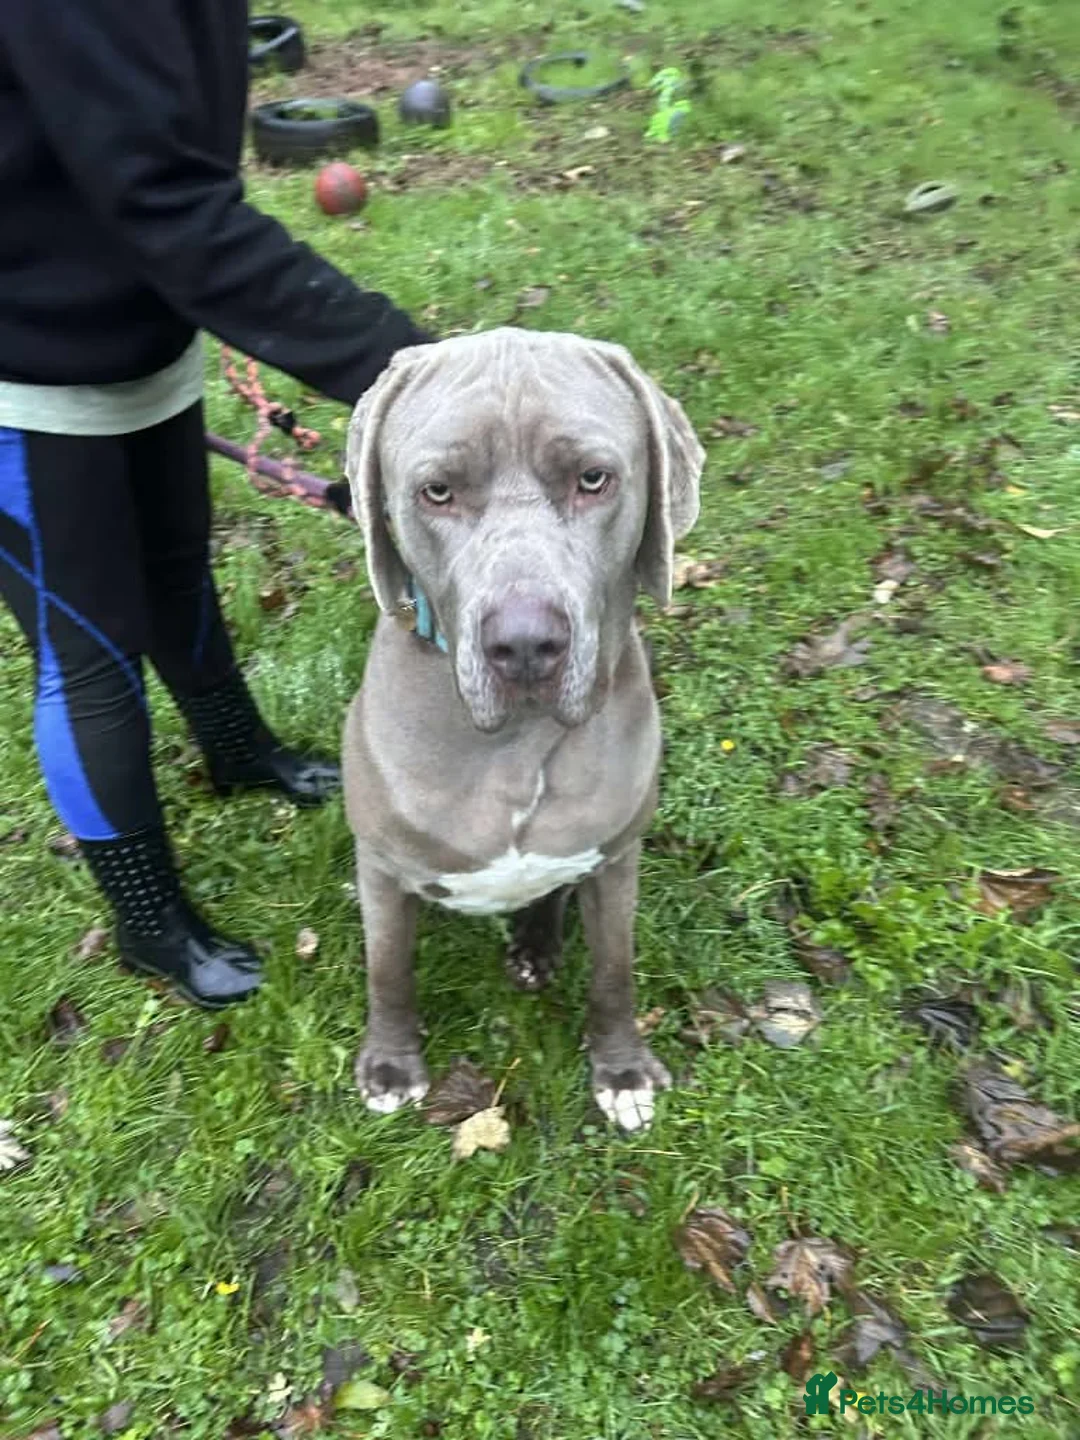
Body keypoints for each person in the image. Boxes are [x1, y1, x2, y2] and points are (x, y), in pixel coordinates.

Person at [0, 2, 433, 1008]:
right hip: (21, 369)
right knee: (89, 657)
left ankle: (239, 751)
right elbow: (161, 196)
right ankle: (150, 919)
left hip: (142, 326)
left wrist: (207, 294)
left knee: (175, 567)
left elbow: (168, 149)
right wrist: (411, 369)